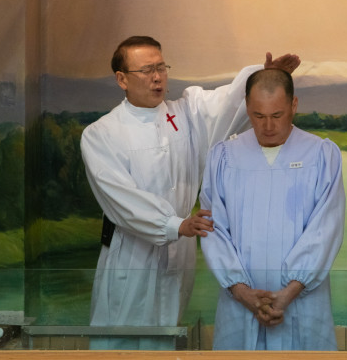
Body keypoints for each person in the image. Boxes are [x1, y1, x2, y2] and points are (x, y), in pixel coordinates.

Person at [80, 36, 299, 350]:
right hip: (131, 253)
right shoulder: (102, 133)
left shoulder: (183, 115)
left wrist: (263, 79)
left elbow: (226, 105)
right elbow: (120, 199)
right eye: (146, 70)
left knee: (168, 333)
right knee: (120, 335)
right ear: (122, 79)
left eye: (161, 68)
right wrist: (174, 224)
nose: (157, 77)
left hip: (179, 250)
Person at [199, 68, 346, 351]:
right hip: (239, 302)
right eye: (258, 115)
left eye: (277, 115)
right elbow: (213, 228)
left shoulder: (321, 155)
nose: (267, 126)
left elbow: (326, 228)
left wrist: (290, 291)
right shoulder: (224, 157)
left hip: (302, 302)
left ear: (294, 105)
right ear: (247, 107)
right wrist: (241, 291)